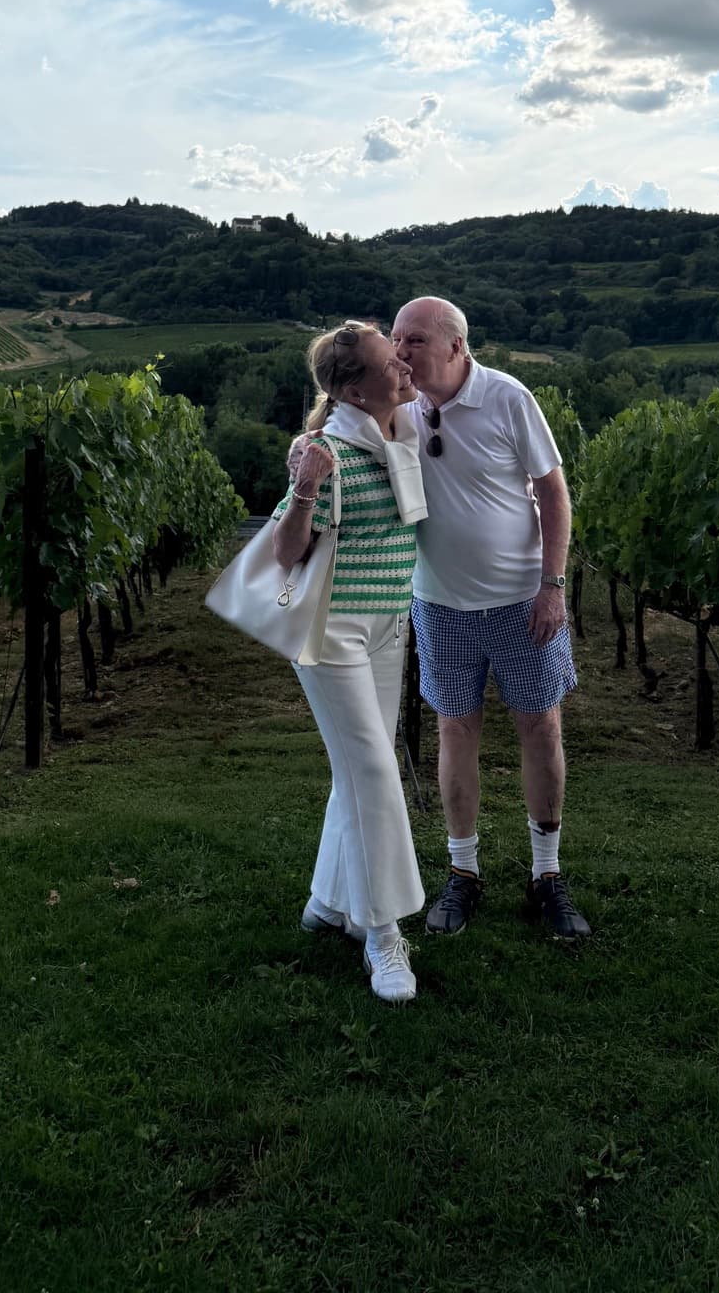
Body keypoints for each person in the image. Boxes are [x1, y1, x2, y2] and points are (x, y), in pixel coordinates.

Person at [391, 296, 591, 940]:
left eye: (414, 339)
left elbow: (554, 492)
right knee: (456, 731)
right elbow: (332, 427)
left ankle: (547, 874)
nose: (401, 351)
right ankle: (463, 872)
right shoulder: (398, 408)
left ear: (456, 346)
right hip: (440, 604)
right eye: (396, 338)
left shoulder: (508, 398)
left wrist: (552, 585)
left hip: (521, 602)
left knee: (540, 727)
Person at [271, 320, 429, 1002]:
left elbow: (443, 382)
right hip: (331, 632)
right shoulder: (329, 450)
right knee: (374, 769)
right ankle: (383, 933)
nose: (402, 364)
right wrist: (305, 484)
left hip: (389, 627)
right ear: (354, 388)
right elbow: (284, 553)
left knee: (355, 770)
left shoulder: (401, 435)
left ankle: (328, 900)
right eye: (389, 359)